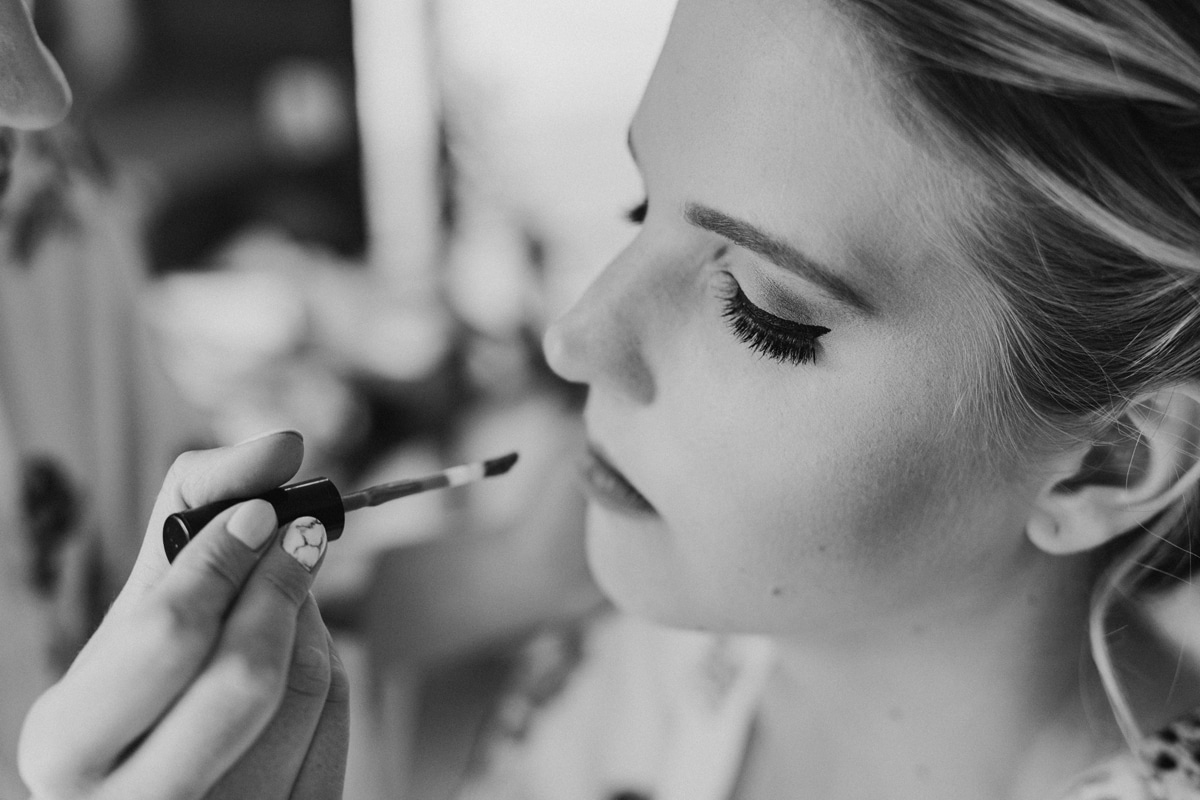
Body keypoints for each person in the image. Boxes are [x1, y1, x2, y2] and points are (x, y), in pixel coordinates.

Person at [17, 0, 1200, 799]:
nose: (573, 333)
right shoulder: (631, 654)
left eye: (761, 309)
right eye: (642, 210)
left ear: (1103, 462)